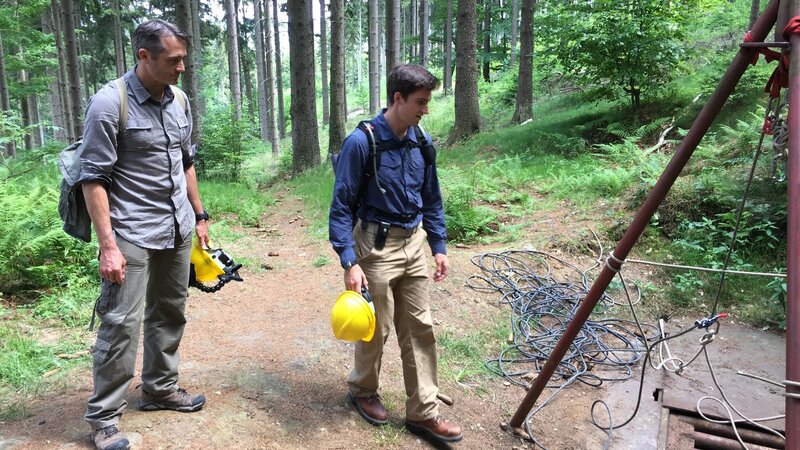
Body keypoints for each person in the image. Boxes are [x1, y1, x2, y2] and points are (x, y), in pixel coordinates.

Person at [79, 19, 209, 450]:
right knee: (120, 324)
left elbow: (185, 161)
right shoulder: (108, 103)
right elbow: (93, 179)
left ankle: (159, 389)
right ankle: (104, 419)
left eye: (183, 59)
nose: (182, 68)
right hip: (130, 231)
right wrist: (108, 247)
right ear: (144, 57)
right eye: (174, 60)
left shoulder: (180, 101)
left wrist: (200, 214)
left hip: (176, 227)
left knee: (170, 311)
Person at [329, 64, 462, 443]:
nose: (425, 109)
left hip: (414, 243)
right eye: (420, 102)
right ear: (398, 98)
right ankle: (363, 390)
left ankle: (423, 413)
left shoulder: (422, 141)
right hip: (375, 246)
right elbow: (340, 206)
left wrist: (438, 245)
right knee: (376, 328)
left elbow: (431, 196)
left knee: (420, 328)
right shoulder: (363, 142)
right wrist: (348, 260)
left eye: (427, 102)